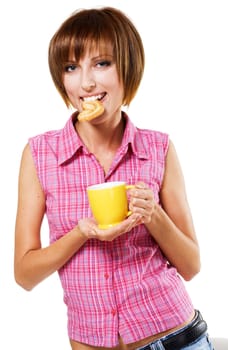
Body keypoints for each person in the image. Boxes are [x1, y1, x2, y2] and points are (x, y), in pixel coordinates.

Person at [14, 6, 214, 350]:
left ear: (128, 67)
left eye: (101, 63)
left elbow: (191, 265)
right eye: (71, 67)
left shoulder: (158, 148)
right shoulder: (39, 154)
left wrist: (154, 215)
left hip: (175, 338)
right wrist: (81, 233)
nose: (86, 82)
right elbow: (25, 274)